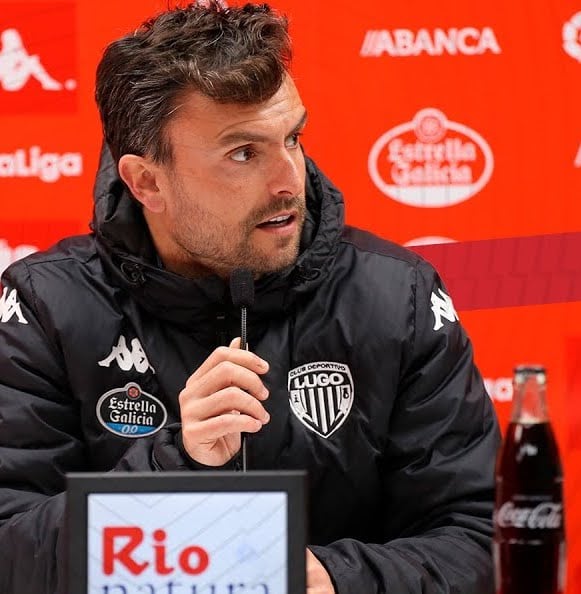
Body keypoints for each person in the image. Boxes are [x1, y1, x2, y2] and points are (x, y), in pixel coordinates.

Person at [0, 2, 500, 593]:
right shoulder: (44, 307)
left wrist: (334, 579)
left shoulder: (400, 295)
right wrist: (174, 466)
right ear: (146, 182)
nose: (288, 179)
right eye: (243, 153)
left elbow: (480, 538)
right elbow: (11, 551)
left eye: (293, 137)